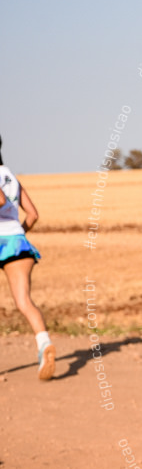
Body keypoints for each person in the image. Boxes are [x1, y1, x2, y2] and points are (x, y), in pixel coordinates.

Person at [0, 135, 55, 380]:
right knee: (24, 303)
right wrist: (18, 234)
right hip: (19, 243)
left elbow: (0, 200)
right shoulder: (11, 176)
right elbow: (32, 215)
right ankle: (44, 344)